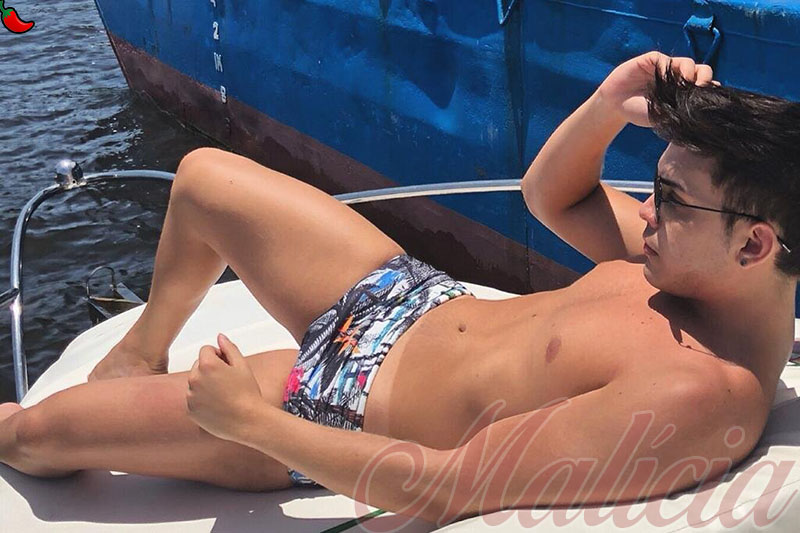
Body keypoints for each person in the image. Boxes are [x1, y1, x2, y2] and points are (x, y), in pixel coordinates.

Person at [0, 51, 797, 526]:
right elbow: (551, 196)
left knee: (33, 434)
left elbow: (450, 487)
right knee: (205, 178)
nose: (646, 210)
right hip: (410, 299)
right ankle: (141, 350)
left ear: (755, 243)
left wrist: (249, 422)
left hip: (334, 402)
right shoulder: (692, 272)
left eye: (669, 198)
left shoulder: (701, 389)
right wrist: (605, 104)